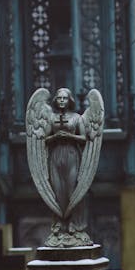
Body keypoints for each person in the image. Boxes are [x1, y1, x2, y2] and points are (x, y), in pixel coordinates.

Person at [45, 87, 87, 217]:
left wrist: (70, 136)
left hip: (71, 155)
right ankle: (60, 222)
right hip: (56, 155)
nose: (62, 101)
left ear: (70, 100)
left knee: (72, 190)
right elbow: (44, 139)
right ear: (55, 100)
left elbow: (84, 138)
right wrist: (55, 137)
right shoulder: (51, 118)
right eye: (59, 98)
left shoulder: (77, 118)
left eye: (64, 98)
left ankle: (73, 223)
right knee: (57, 191)